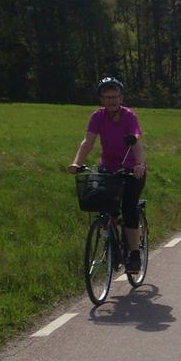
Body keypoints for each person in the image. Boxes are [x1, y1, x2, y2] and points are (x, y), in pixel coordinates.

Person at [67, 77, 147, 273]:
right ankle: (113, 243)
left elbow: (136, 140)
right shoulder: (97, 116)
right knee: (105, 207)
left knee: (128, 210)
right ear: (101, 99)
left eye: (115, 97)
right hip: (108, 169)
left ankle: (134, 255)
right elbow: (87, 141)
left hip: (130, 170)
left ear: (121, 97)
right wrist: (77, 162)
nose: (111, 101)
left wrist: (140, 164)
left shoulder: (129, 116)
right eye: (107, 97)